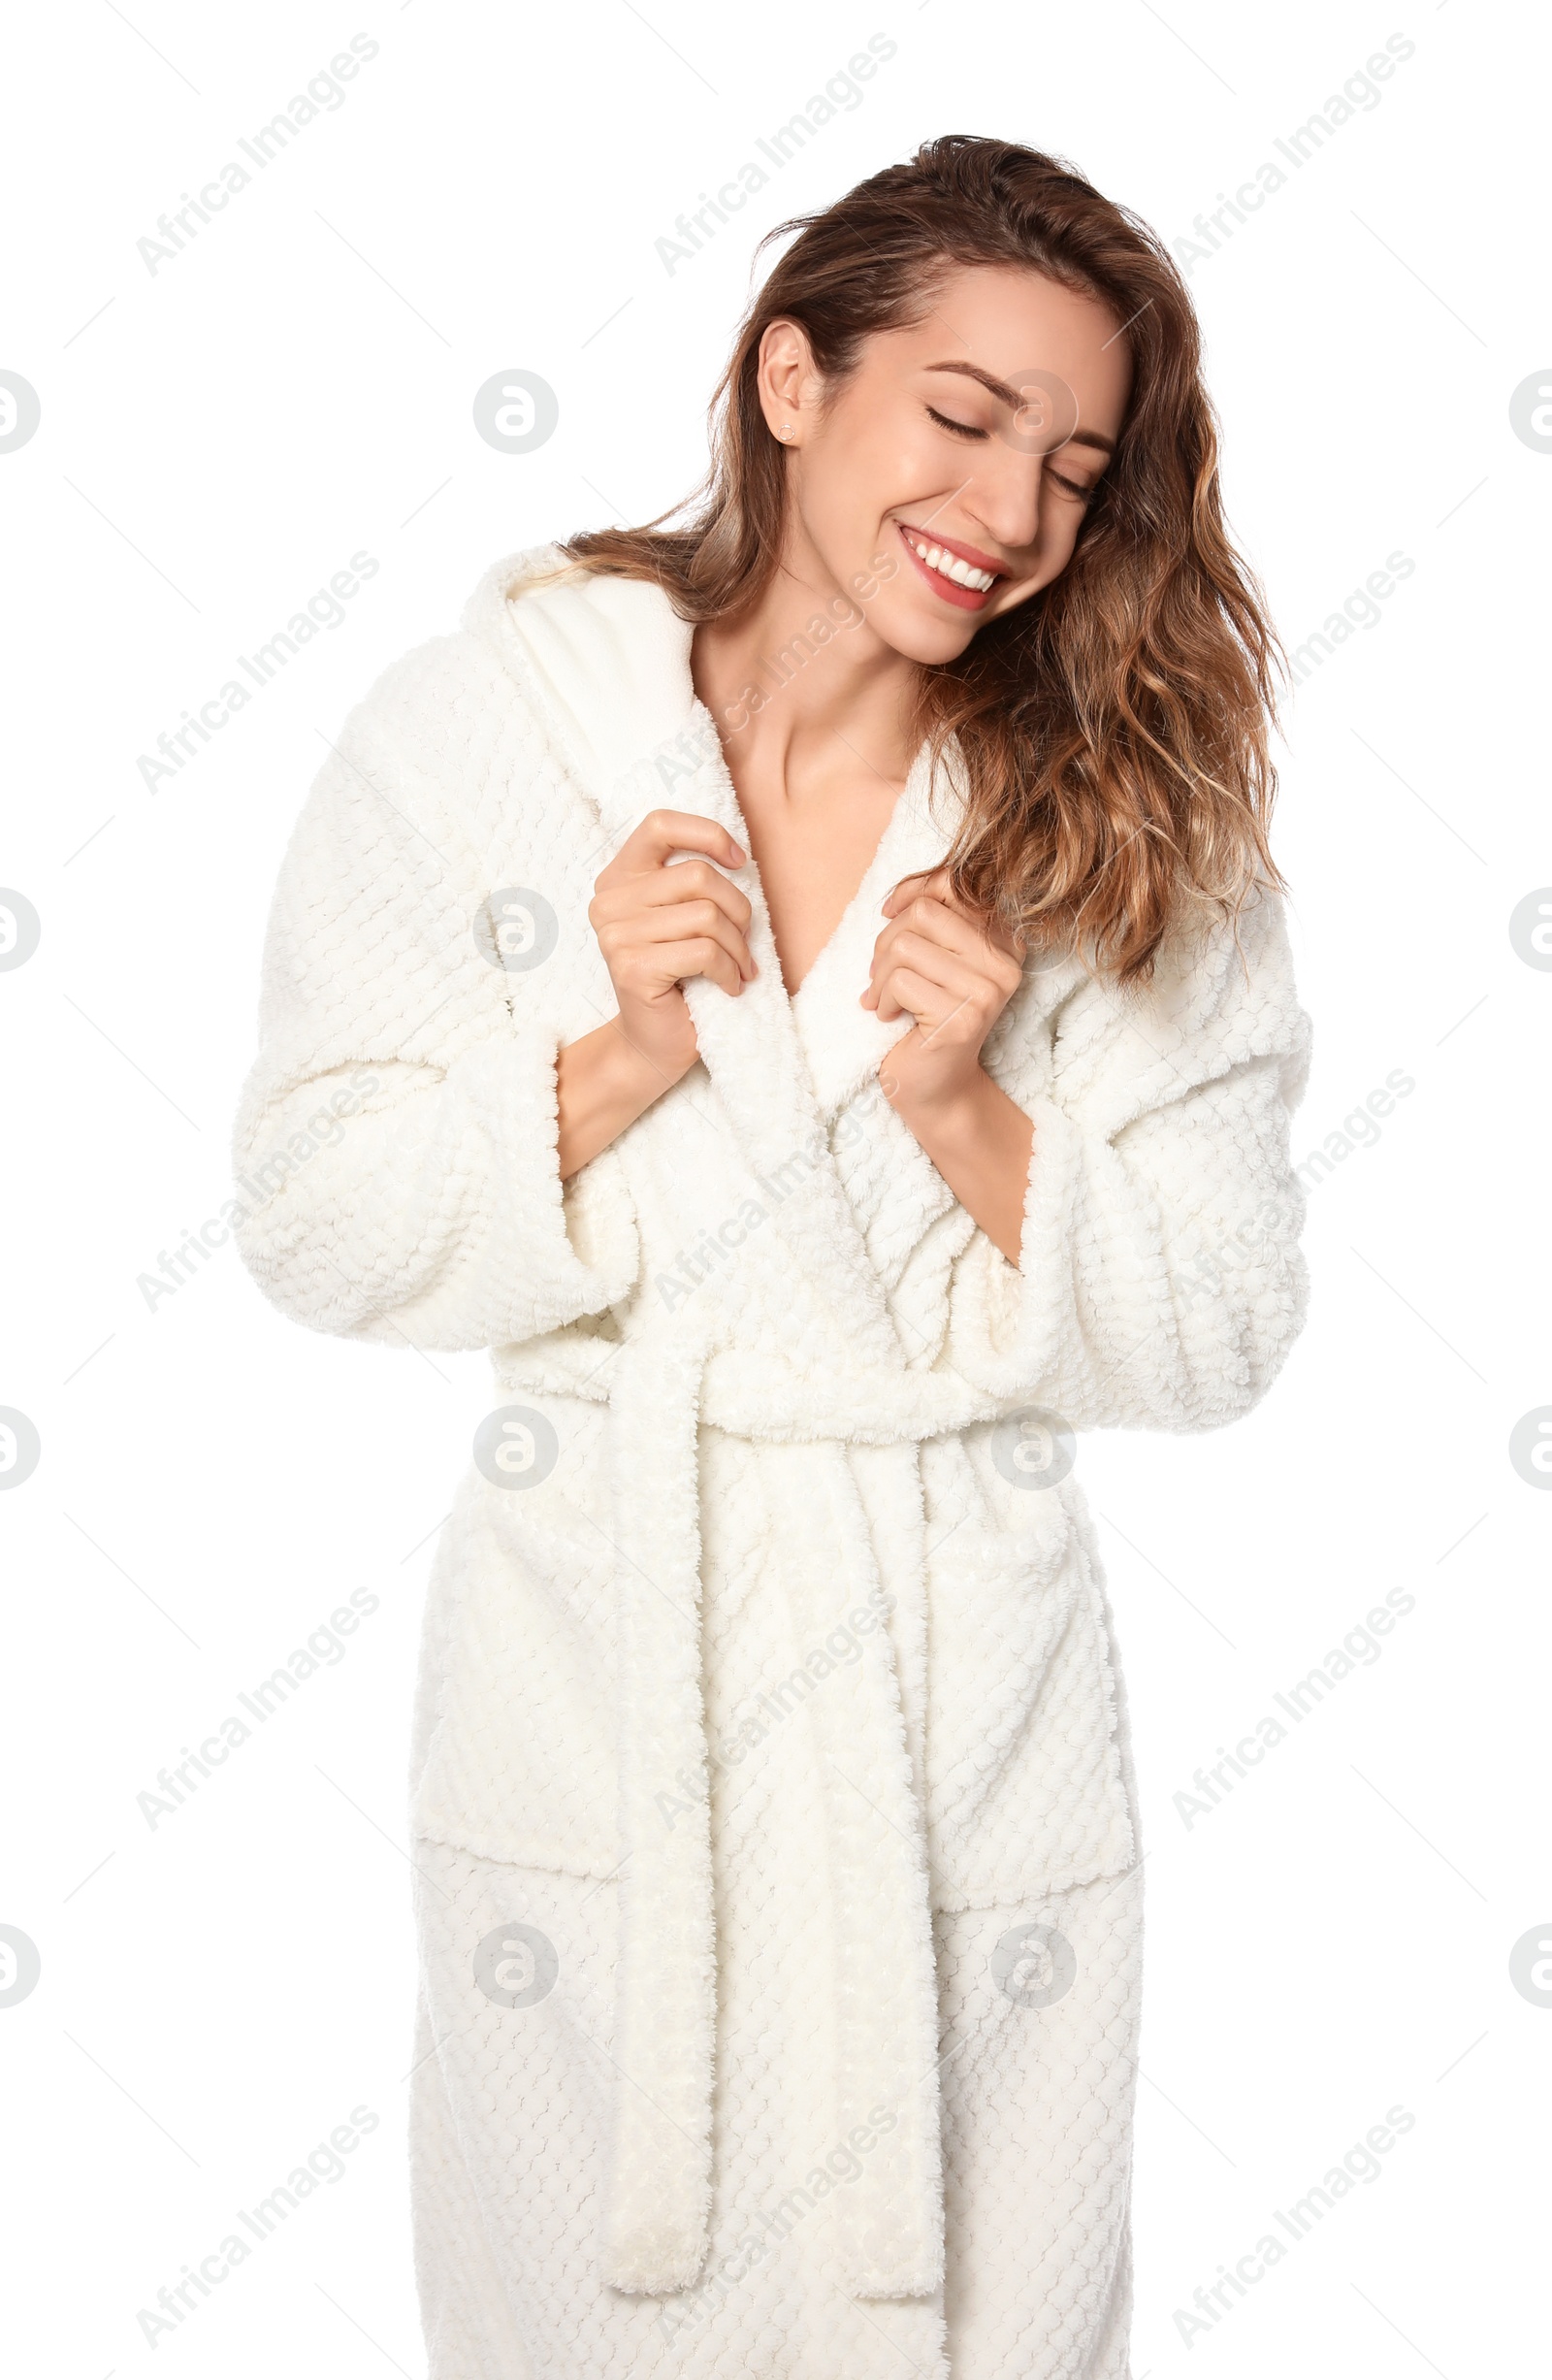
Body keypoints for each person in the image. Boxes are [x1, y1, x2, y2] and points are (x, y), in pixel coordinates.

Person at [233, 134, 1310, 2380]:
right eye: (963, 415)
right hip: (599, 1715)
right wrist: (613, 1052)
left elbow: (1219, 1321)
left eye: (1076, 467)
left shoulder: (1109, 824)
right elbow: (314, 1220)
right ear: (791, 380)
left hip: (957, 1744)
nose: (1010, 514)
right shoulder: (483, 741)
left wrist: (964, 1102)